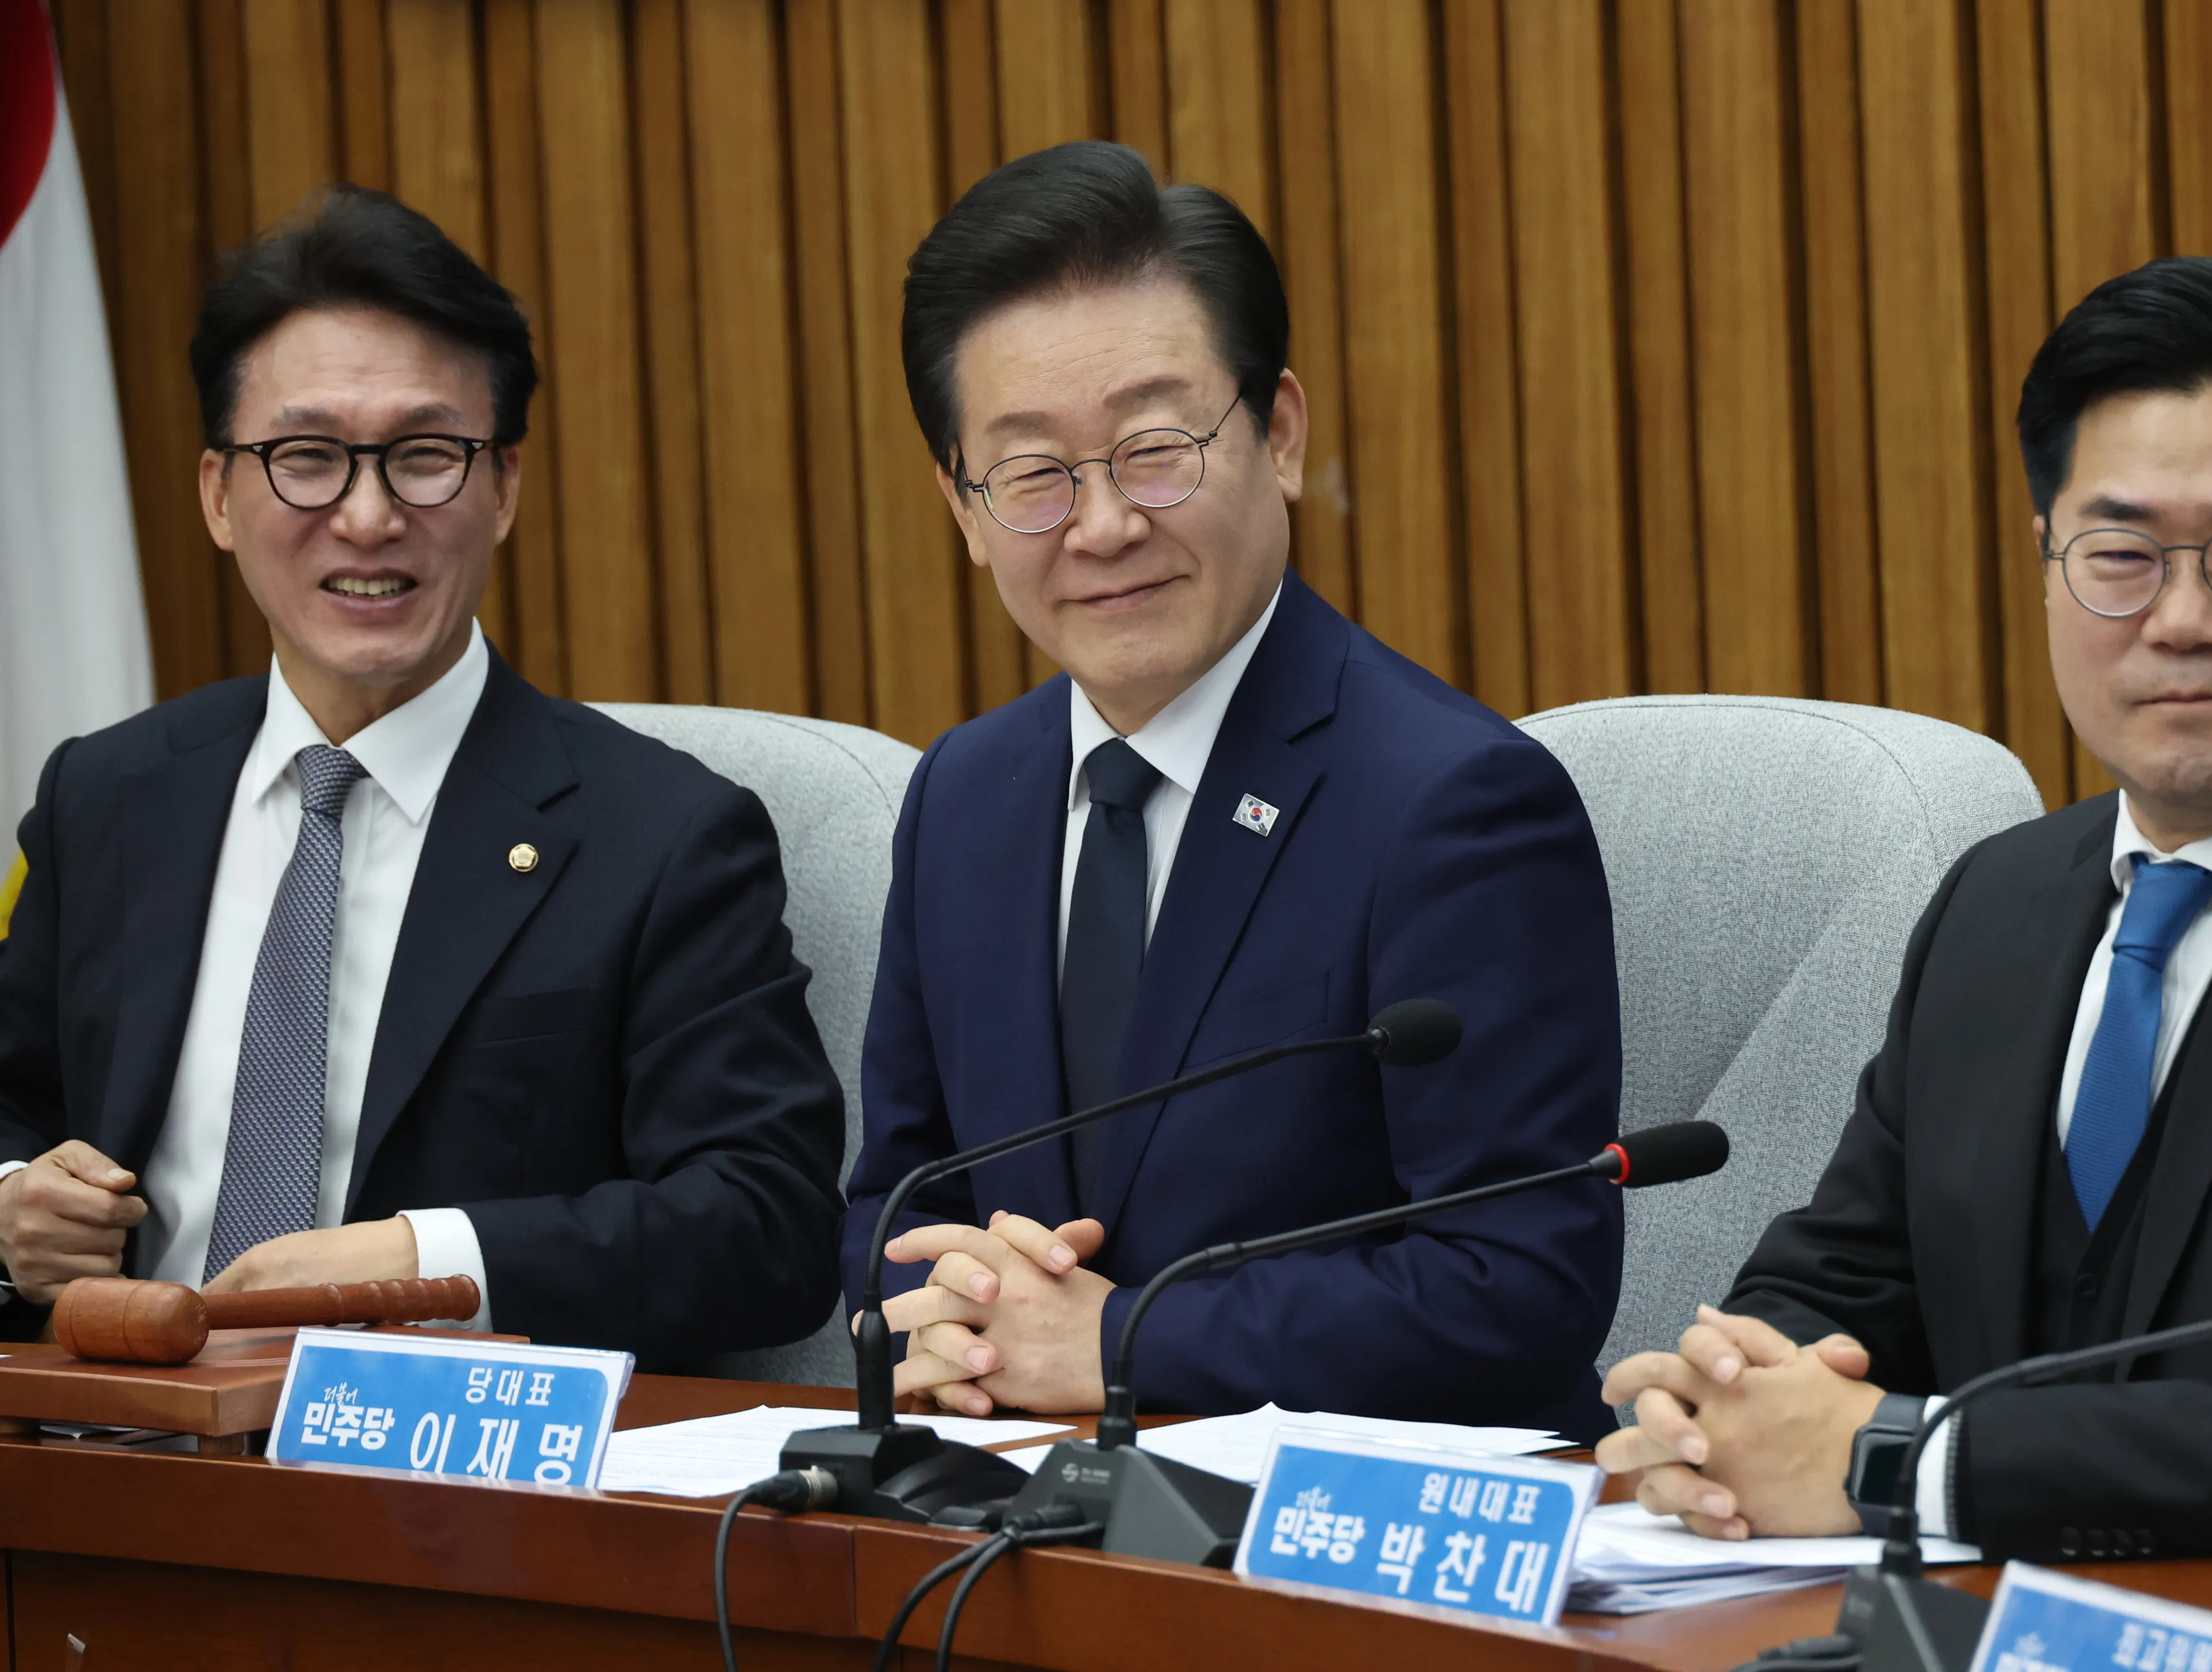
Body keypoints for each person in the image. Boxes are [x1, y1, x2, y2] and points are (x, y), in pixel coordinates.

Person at [1598, 257, 2212, 1582]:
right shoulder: (1996, 901)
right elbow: (1845, 1277)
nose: (2182, 621)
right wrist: (1727, 1403)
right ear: (2048, 568)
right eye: (2119, 556)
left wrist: (1911, 1464)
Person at [842, 141, 1623, 1439]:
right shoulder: (965, 796)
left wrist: (1117, 1341)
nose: (1101, 525)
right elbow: (897, 1202)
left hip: (1344, 1522)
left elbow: (1517, 1286)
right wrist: (945, 1313)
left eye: (1155, 449)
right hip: (1019, 1500)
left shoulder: (1456, 803)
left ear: (1280, 435)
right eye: (1033, 474)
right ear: (963, 509)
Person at [0, 186, 846, 1365]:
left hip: (438, 1462)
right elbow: (16, 1102)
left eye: (424, 457)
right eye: (306, 458)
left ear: (503, 489)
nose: (367, 516)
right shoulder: (109, 797)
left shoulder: (663, 836)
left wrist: (424, 1262)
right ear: (218, 497)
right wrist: (11, 1202)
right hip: (117, 1437)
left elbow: (767, 1226)